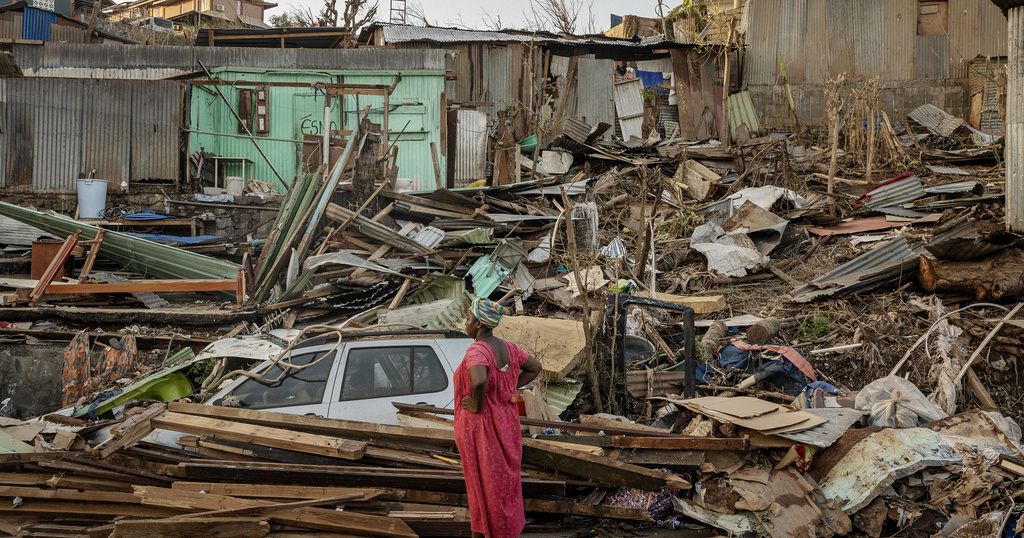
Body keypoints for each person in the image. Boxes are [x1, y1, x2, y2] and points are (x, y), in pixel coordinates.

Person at [455, 298, 542, 538]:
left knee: (482, 485)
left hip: (483, 427)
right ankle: (506, 529)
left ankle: (487, 532)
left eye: (469, 318)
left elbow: (479, 380)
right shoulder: (509, 348)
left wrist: (477, 403)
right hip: (507, 423)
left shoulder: (477, 349)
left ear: (480, 325)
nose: (466, 323)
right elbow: (535, 367)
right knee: (503, 484)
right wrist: (508, 387)